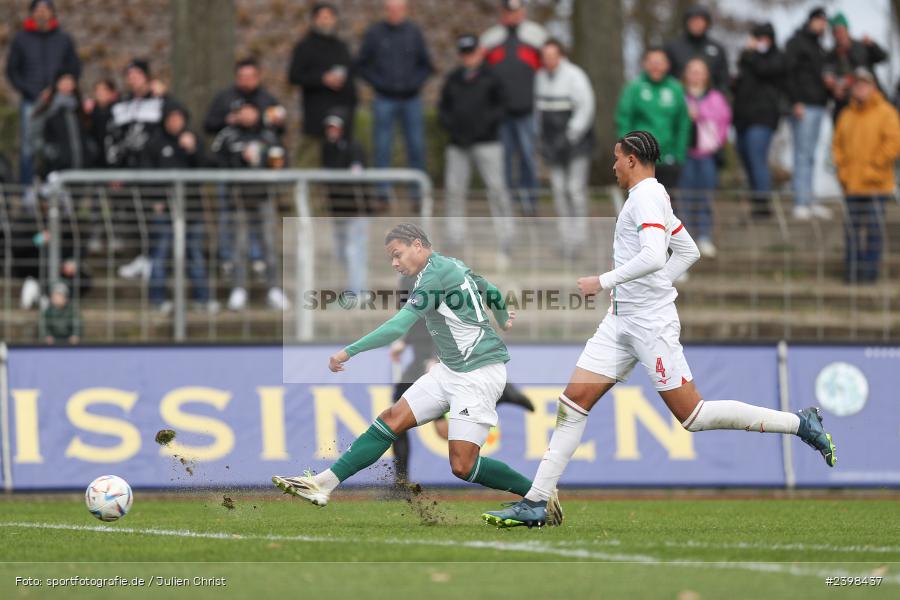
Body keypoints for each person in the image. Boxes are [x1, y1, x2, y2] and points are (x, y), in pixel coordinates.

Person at [482, 131, 837, 528]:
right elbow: (689, 250)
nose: (613, 165)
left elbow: (654, 254)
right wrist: (651, 285)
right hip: (621, 321)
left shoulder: (647, 197)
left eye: (617, 158)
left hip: (649, 324)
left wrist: (604, 281)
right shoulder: (652, 195)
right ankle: (535, 501)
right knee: (572, 403)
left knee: (694, 416)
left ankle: (800, 423)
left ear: (632, 159)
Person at [273, 223, 560, 522]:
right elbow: (490, 290)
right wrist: (503, 319)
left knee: (463, 466)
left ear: (418, 246)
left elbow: (398, 326)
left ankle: (538, 496)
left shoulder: (434, 276)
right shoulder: (450, 265)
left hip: (478, 374)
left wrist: (348, 351)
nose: (395, 263)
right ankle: (322, 484)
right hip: (450, 370)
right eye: (391, 258)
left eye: (398, 254)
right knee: (391, 419)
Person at [438, 34, 514, 264]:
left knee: (497, 188)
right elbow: (443, 110)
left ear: (480, 52)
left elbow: (501, 107)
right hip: (458, 143)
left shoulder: (492, 77)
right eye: (464, 53)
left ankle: (506, 235)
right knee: (454, 190)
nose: (468, 57)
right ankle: (455, 235)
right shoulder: (453, 78)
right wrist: (454, 129)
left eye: (471, 52)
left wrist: (481, 128)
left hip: (487, 142)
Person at [211, 101, 290, 311]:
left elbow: (283, 160)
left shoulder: (269, 135)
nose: (247, 115)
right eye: (243, 112)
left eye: (251, 111)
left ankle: (274, 289)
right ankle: (239, 289)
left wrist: (274, 164)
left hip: (263, 197)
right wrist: (240, 157)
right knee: (239, 245)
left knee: (269, 244)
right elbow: (215, 161)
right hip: (238, 198)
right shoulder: (229, 136)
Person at [141, 104, 218, 314]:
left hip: (192, 208)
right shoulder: (155, 143)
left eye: (178, 119)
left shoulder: (193, 139)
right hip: (163, 209)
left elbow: (209, 167)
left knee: (195, 254)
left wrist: (193, 150)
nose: (175, 123)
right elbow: (146, 175)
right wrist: (155, 200)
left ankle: (203, 299)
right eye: (171, 119)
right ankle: (158, 299)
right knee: (160, 253)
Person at [356, 0, 433, 202]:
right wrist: (379, 83)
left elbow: (426, 65)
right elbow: (362, 64)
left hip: (411, 99)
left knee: (416, 146)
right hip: (384, 99)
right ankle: (383, 194)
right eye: (391, 9)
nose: (395, 12)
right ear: (385, 10)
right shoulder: (375, 33)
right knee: (382, 147)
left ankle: (418, 195)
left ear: (405, 10)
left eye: (398, 8)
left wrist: (414, 83)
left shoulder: (414, 33)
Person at [832, 68, 900, 284]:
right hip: (851, 184)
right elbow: (837, 146)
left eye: (864, 84)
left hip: (876, 185)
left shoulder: (886, 112)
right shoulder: (846, 115)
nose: (860, 88)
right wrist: (843, 171)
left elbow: (893, 143)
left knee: (873, 231)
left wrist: (875, 167)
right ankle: (852, 274)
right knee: (851, 232)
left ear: (873, 87)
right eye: (857, 85)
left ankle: (869, 275)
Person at [481, 0, 548, 217]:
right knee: (504, 161)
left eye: (517, 11)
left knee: (528, 159)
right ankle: (506, 207)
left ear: (523, 11)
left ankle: (529, 205)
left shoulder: (537, 36)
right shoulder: (490, 38)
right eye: (508, 12)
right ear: (502, 13)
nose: (513, 15)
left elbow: (548, 69)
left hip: (528, 111)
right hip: (501, 114)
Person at [5, 0, 81, 185]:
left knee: (60, 145)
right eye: (38, 10)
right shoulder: (21, 39)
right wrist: (32, 92)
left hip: (59, 101)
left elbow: (74, 67)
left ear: (52, 13)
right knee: (28, 147)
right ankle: (27, 192)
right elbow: (12, 71)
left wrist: (59, 89)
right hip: (32, 101)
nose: (42, 13)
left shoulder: (63, 39)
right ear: (32, 13)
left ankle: (60, 189)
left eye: (46, 9)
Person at [535, 39, 595, 259]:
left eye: (553, 56)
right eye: (545, 56)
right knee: (559, 191)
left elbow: (586, 107)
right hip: (552, 143)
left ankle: (579, 240)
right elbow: (538, 112)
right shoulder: (540, 78)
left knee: (575, 190)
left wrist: (571, 135)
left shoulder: (575, 76)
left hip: (575, 142)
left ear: (560, 55)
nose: (549, 60)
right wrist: (542, 140)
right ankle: (566, 240)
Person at [615, 48, 690, 189]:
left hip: (669, 158)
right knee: (641, 202)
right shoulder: (634, 88)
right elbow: (624, 120)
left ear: (667, 65)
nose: (656, 66)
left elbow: (682, 123)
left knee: (667, 202)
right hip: (639, 159)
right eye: (652, 62)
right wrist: (627, 152)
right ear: (644, 64)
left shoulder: (676, 89)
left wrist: (679, 154)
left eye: (660, 62)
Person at [732, 22, 786, 220]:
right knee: (746, 158)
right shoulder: (746, 60)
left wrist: (752, 54)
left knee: (757, 156)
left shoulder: (776, 58)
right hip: (743, 118)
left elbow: (765, 70)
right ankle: (756, 199)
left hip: (763, 117)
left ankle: (763, 202)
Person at [321, 112, 379, 294]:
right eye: (329, 128)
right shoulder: (326, 148)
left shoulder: (354, 147)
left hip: (356, 209)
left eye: (336, 127)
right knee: (341, 251)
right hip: (338, 209)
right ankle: (355, 286)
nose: (332, 132)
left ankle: (358, 290)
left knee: (354, 249)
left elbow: (356, 175)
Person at [679, 58, 730, 258]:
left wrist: (699, 114)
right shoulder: (678, 95)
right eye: (692, 71)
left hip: (707, 154)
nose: (696, 75)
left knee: (705, 196)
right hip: (684, 154)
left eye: (700, 71)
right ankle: (684, 239)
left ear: (706, 75)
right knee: (683, 197)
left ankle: (705, 235)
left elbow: (723, 122)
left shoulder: (716, 97)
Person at [784, 7, 831, 221]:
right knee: (802, 154)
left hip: (819, 106)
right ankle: (800, 202)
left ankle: (810, 199)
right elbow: (789, 73)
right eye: (819, 20)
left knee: (812, 155)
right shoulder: (797, 42)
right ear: (811, 20)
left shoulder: (820, 46)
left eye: (824, 21)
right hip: (803, 106)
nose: (822, 24)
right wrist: (795, 101)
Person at [288, 2, 357, 140]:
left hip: (342, 110)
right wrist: (322, 79)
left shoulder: (341, 46)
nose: (326, 21)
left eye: (329, 17)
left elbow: (351, 74)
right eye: (322, 17)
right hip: (316, 111)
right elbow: (294, 76)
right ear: (315, 20)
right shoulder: (304, 47)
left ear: (335, 20)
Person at [29, 70, 95, 178]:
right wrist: (49, 153)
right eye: (64, 80)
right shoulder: (47, 107)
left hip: (81, 168)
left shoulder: (80, 108)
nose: (67, 84)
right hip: (55, 170)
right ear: (56, 83)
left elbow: (89, 133)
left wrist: (90, 150)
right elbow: (34, 136)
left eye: (70, 81)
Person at [825, 13, 889, 122]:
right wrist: (833, 89)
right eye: (835, 32)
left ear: (846, 30)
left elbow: (883, 57)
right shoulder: (830, 56)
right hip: (846, 105)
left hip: (870, 101)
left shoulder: (862, 46)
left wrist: (873, 45)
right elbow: (828, 77)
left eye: (840, 30)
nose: (838, 35)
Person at [664, 5, 729, 90]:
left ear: (707, 23)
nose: (696, 24)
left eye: (700, 20)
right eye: (693, 20)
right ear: (686, 22)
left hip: (710, 99)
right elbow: (665, 75)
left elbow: (723, 79)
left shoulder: (717, 49)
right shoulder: (672, 47)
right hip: (679, 97)